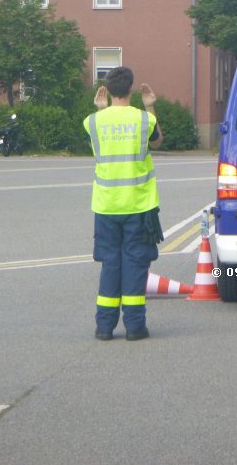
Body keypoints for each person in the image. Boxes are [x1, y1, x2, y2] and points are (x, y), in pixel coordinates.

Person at [83, 67, 164, 341]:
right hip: (139, 205)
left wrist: (100, 110)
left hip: (106, 206)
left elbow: (98, 146)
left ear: (107, 89)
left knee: (111, 263)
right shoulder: (143, 119)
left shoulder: (93, 121)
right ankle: (134, 326)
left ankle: (104, 327)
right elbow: (158, 142)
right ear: (130, 89)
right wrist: (151, 107)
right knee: (135, 263)